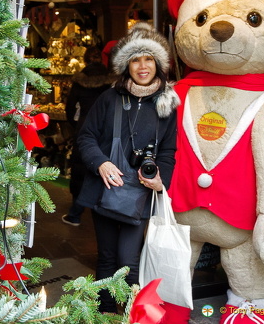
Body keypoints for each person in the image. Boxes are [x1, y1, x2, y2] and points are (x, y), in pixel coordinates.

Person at [75, 22, 179, 314]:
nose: (142, 66)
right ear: (126, 65)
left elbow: (169, 151)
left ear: (158, 64)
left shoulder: (167, 104)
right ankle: (105, 314)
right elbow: (86, 137)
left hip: (141, 194)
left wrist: (162, 180)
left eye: (149, 59)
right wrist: (101, 162)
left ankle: (131, 316)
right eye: (135, 59)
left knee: (129, 260)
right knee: (106, 257)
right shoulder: (110, 98)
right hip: (105, 189)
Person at [62, 45, 113, 226]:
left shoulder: (79, 80)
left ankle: (75, 213)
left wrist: (76, 124)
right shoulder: (110, 81)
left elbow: (70, 107)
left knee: (80, 169)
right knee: (105, 166)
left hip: (84, 126)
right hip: (107, 128)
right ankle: (103, 209)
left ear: (85, 59)